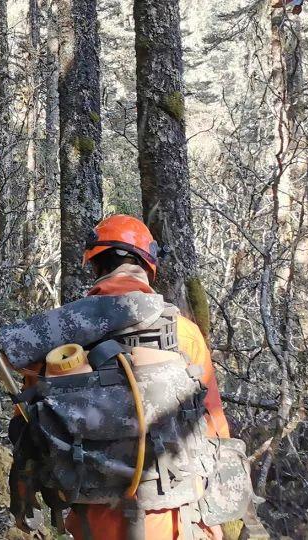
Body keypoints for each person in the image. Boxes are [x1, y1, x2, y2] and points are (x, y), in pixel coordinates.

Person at [58, 214, 231, 539]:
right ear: (148, 267)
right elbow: (215, 430)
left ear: (96, 265)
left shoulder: (63, 336)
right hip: (180, 519)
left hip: (94, 520)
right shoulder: (185, 333)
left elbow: (32, 425)